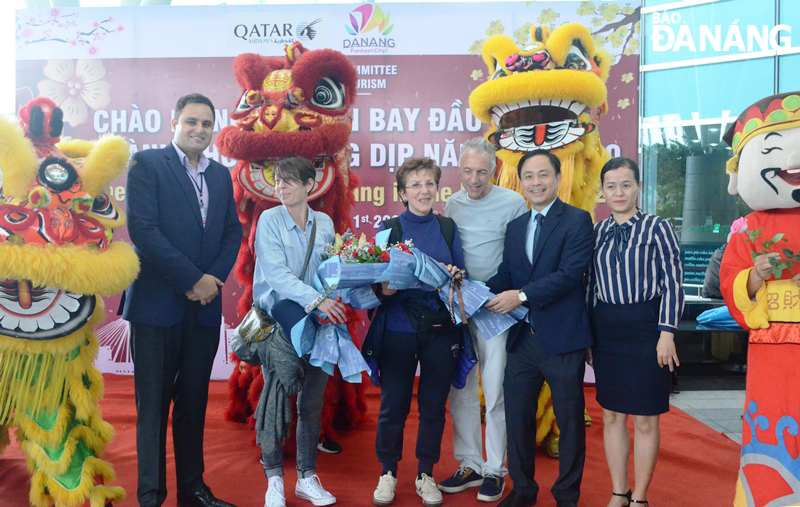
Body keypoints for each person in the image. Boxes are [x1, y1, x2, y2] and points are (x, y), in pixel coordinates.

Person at [123, 93, 242, 507]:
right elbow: (143, 229)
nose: (199, 130)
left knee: (193, 403)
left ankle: (194, 491)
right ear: (174, 121)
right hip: (157, 306)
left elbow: (232, 234)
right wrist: (192, 279)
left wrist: (212, 281)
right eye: (191, 122)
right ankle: (152, 495)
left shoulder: (222, 176)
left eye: (206, 124)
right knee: (152, 405)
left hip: (204, 308)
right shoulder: (148, 164)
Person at [484, 150, 593, 507]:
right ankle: (523, 490)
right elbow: (507, 275)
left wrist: (522, 295)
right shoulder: (516, 227)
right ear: (521, 181)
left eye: (543, 175)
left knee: (570, 420)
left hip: (562, 338)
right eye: (528, 176)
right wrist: (470, 290)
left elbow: (569, 275)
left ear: (558, 177)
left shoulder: (577, 220)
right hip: (522, 340)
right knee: (517, 419)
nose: (535, 183)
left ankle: (567, 495)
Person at [365, 157, 466, 507]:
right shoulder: (389, 228)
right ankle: (388, 473)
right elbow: (373, 284)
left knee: (434, 407)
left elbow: (462, 275)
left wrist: (455, 275)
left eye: (429, 184)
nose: (424, 191)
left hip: (441, 330)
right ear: (403, 192)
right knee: (393, 407)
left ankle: (426, 474)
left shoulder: (448, 227)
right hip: (398, 329)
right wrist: (386, 289)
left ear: (436, 188)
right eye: (415, 185)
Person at [588, 157, 684, 507]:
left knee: (645, 419)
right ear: (602, 190)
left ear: (638, 187)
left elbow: (674, 283)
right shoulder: (597, 231)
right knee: (612, 415)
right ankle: (619, 491)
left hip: (648, 330)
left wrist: (667, 332)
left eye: (626, 184)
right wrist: (589, 336)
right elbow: (591, 286)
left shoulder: (658, 227)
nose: (618, 192)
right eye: (611, 186)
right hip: (607, 332)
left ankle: (640, 497)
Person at [252, 155, 347, 507]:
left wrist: (338, 295)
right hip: (279, 323)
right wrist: (318, 301)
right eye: (278, 181)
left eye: (290, 181)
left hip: (319, 323)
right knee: (276, 400)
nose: (282, 188)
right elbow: (276, 276)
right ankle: (273, 479)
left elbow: (330, 270)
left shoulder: (324, 223)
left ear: (310, 185)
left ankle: (307, 477)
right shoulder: (268, 219)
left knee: (312, 402)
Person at [439, 138, 527, 502]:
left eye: (482, 172)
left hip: (494, 309)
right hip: (459, 308)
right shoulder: (452, 203)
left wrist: (491, 293)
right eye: (467, 171)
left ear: (496, 171)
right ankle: (470, 463)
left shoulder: (514, 202)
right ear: (459, 171)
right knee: (460, 388)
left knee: (494, 390)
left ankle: (495, 469)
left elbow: (518, 258)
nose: (473, 180)